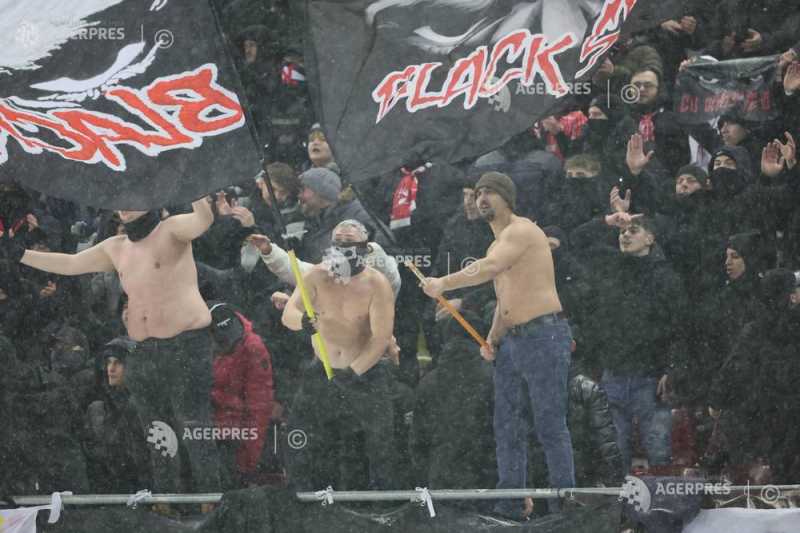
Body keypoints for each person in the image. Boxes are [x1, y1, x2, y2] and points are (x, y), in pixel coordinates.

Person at [0, 198, 221, 492]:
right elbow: (71, 264)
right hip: (142, 350)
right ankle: (168, 500)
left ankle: (211, 498)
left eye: (132, 199)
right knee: (156, 432)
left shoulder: (171, 230)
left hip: (186, 345)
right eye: (120, 202)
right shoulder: (115, 247)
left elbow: (203, 220)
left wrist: (195, 191)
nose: (124, 207)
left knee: (193, 427)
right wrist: (19, 253)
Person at [422, 171, 575, 518]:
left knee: (549, 423)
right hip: (514, 341)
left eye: (490, 191)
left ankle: (565, 504)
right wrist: (493, 337)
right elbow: (505, 299)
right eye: (478, 193)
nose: (482, 198)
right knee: (507, 426)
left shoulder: (522, 230)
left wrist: (443, 283)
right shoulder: (497, 244)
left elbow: (490, 268)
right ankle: (512, 500)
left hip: (543, 335)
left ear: (508, 198)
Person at [281, 218, 398, 490]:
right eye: (338, 243)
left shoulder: (377, 284)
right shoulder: (316, 275)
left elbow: (380, 337)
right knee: (301, 439)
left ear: (365, 248)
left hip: (365, 374)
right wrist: (302, 322)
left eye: (350, 244)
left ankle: (379, 503)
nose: (343, 249)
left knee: (378, 446)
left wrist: (354, 373)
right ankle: (305, 497)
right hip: (322, 369)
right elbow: (289, 313)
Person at [209, 302, 274, 489]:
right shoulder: (194, 342)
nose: (231, 343)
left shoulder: (252, 347)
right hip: (202, 423)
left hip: (232, 430)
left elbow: (259, 405)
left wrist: (248, 461)